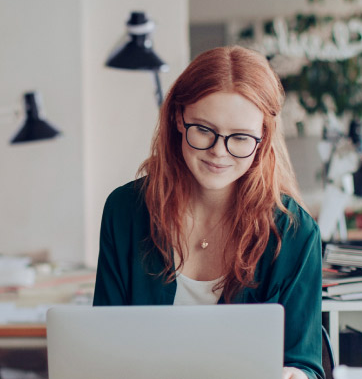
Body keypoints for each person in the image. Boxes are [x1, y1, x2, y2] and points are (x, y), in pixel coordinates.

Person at [93, 46, 323, 379]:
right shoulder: (125, 210)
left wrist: (296, 376)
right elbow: (101, 344)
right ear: (178, 118)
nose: (218, 152)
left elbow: (305, 362)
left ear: (263, 137)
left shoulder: (294, 232)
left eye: (240, 138)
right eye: (203, 130)